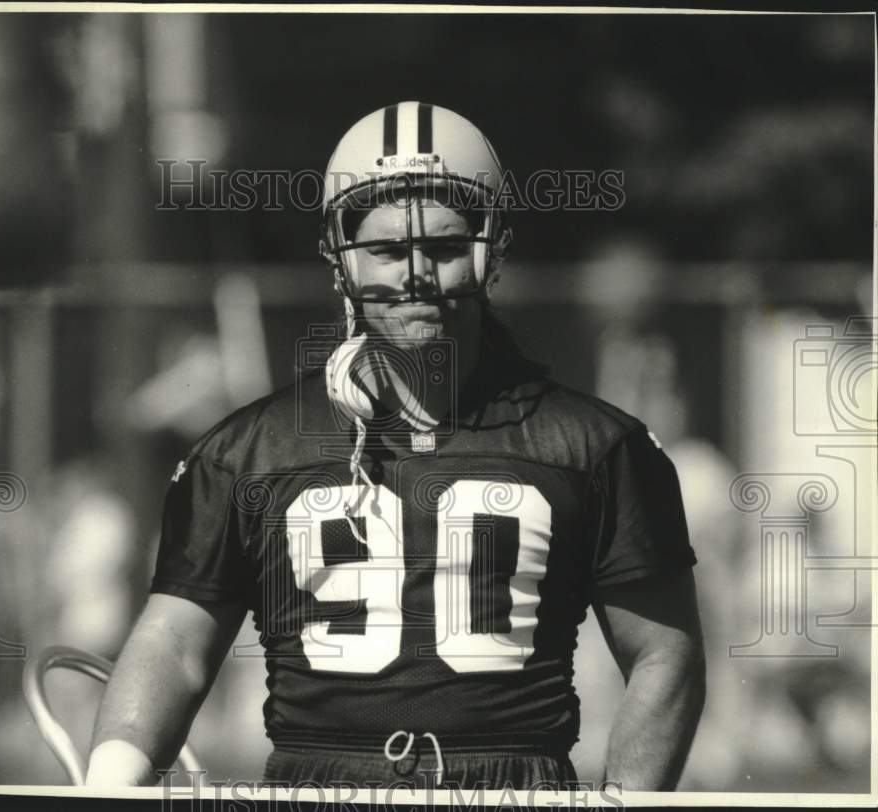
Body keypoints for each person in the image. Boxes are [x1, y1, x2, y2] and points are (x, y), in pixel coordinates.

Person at [85, 102, 705, 791]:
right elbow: (174, 644)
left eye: (441, 247)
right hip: (314, 790)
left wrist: (625, 804)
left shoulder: (594, 446)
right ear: (339, 257)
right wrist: (113, 778)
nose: (414, 274)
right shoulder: (247, 450)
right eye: (384, 249)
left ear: (490, 246)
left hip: (510, 791)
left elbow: (663, 653)